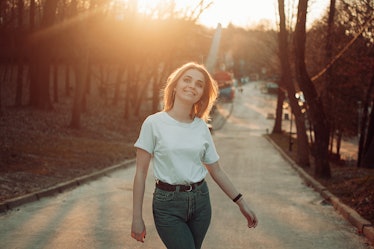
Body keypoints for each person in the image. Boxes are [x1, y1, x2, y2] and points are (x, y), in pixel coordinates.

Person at [131, 62, 258, 249]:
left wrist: (241, 203)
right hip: (167, 205)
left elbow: (216, 170)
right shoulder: (154, 123)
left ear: (202, 94)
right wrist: (136, 217)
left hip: (201, 202)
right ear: (175, 85)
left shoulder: (201, 127)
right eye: (187, 80)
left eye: (199, 84)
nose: (192, 86)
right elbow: (140, 173)